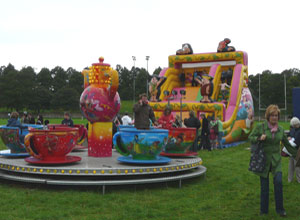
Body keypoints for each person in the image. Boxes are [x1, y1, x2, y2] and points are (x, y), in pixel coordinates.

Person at [248, 105, 297, 217]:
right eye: (272, 115)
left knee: (278, 183)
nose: (274, 117)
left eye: (276, 115)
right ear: (268, 116)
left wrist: (297, 155)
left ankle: (280, 210)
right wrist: (259, 138)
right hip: (263, 161)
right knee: (264, 187)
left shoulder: (280, 130)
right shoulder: (261, 127)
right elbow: (251, 137)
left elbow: (288, 146)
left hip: (276, 162)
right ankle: (263, 210)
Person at [287, 117, 300, 183]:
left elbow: (298, 141)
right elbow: (289, 134)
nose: (294, 126)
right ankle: (289, 179)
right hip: (291, 150)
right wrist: (288, 137)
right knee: (291, 165)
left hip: (298, 151)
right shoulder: (293, 129)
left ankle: (299, 180)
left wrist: (293, 140)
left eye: (295, 125)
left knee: (297, 166)